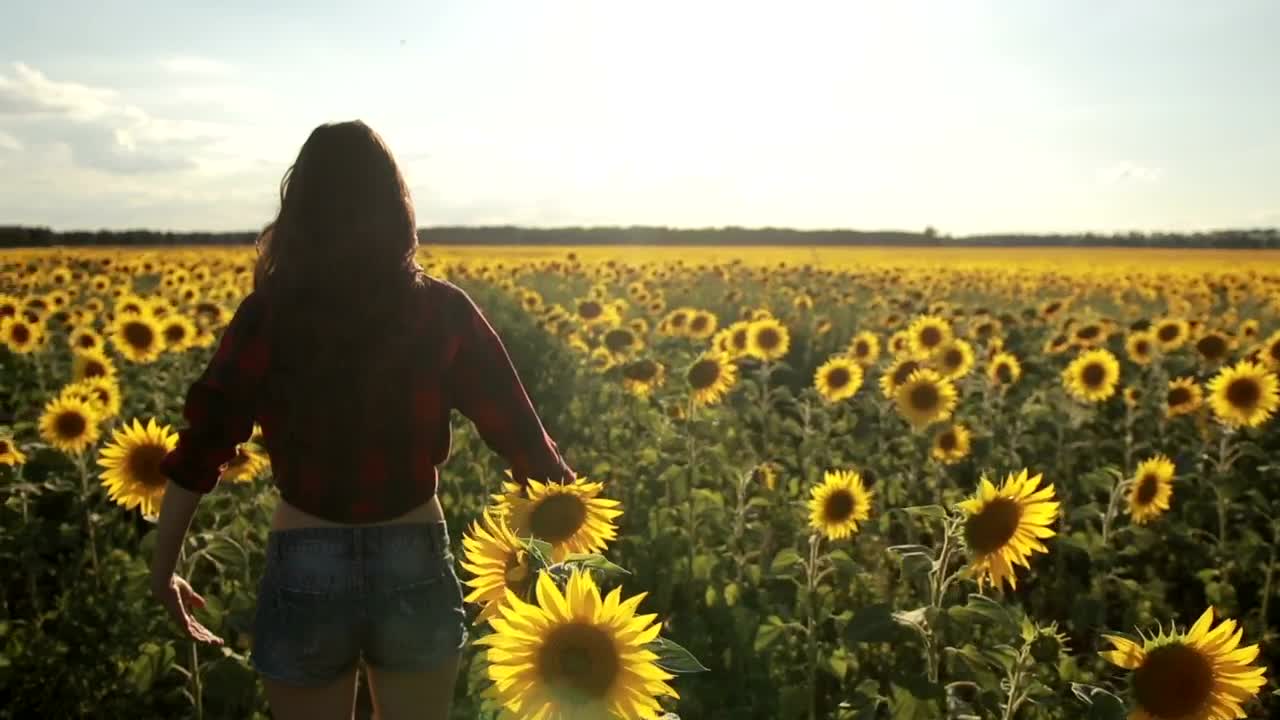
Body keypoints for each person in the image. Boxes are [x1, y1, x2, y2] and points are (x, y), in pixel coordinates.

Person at [148, 120, 575, 720]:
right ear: (396, 207)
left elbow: (203, 445)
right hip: (414, 553)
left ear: (298, 211)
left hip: (304, 555)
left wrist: (164, 566)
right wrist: (572, 561)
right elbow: (523, 440)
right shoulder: (442, 310)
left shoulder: (267, 316)